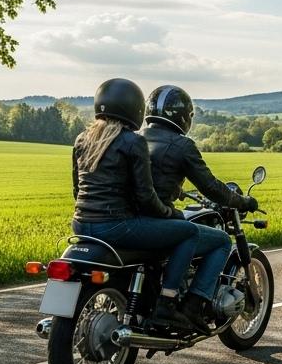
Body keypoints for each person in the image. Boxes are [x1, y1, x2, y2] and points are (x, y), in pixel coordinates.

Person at [70, 78, 204, 331]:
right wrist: (169, 212)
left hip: (80, 225)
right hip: (115, 226)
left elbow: (77, 190)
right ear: (135, 109)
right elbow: (145, 196)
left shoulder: (82, 140)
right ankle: (167, 303)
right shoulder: (132, 141)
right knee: (190, 232)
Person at [140, 84, 258, 331]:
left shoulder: (135, 137)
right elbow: (212, 187)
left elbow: (146, 177)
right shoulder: (182, 145)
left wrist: (176, 189)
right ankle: (192, 306)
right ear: (184, 116)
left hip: (129, 217)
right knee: (221, 241)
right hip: (156, 220)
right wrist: (243, 201)